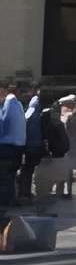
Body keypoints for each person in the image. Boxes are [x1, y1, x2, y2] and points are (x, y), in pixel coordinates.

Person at [0, 78, 25, 211]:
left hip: (7, 146)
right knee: (10, 176)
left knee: (5, 176)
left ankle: (6, 202)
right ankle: (11, 200)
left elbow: (3, 123)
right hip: (18, 145)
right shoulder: (18, 104)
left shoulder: (9, 103)